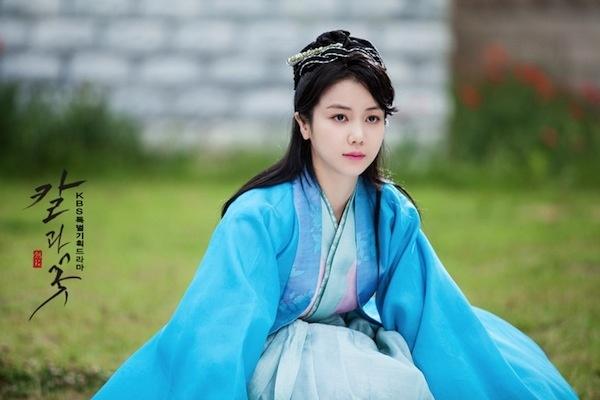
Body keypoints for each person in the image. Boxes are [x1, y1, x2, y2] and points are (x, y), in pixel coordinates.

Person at [92, 30, 578, 399]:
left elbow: (432, 315)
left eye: (373, 118)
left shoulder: (390, 214)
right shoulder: (258, 218)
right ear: (304, 123)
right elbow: (222, 332)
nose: (358, 135)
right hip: (267, 352)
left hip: (348, 337)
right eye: (339, 117)